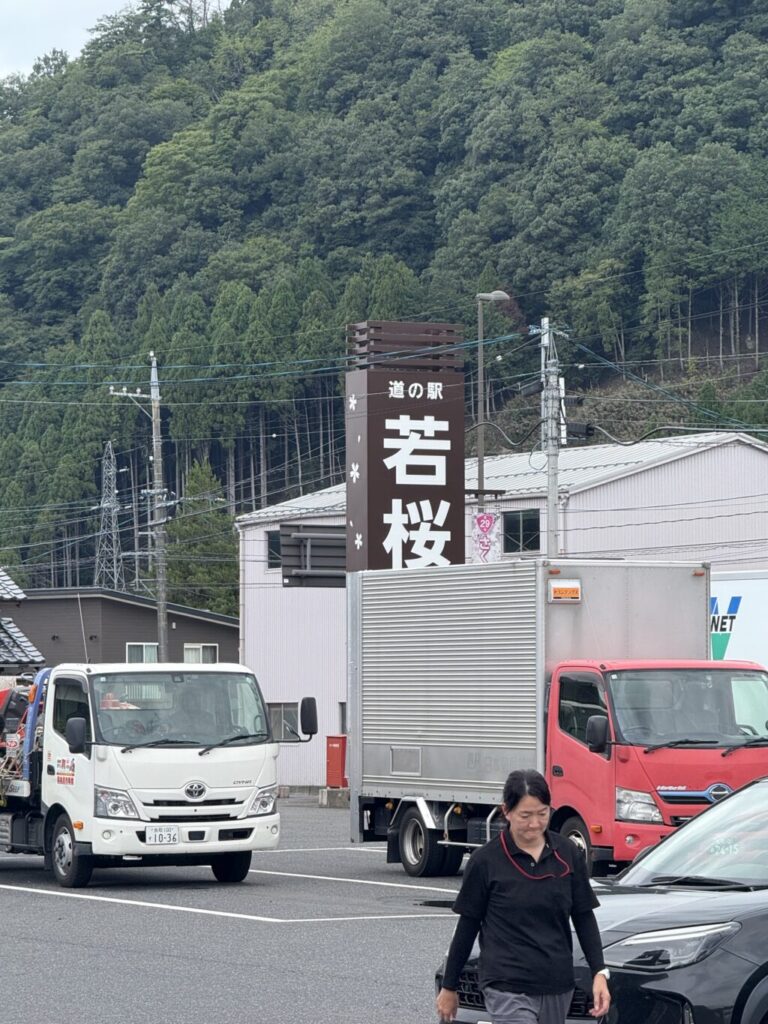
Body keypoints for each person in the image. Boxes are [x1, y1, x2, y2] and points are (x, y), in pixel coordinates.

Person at [436, 769, 611, 1024]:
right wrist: (449, 986)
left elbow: (584, 916)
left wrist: (599, 971)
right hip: (506, 983)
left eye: (542, 814)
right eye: (525, 815)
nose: (534, 824)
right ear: (506, 811)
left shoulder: (567, 853)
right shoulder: (485, 861)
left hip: (556, 982)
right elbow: (468, 925)